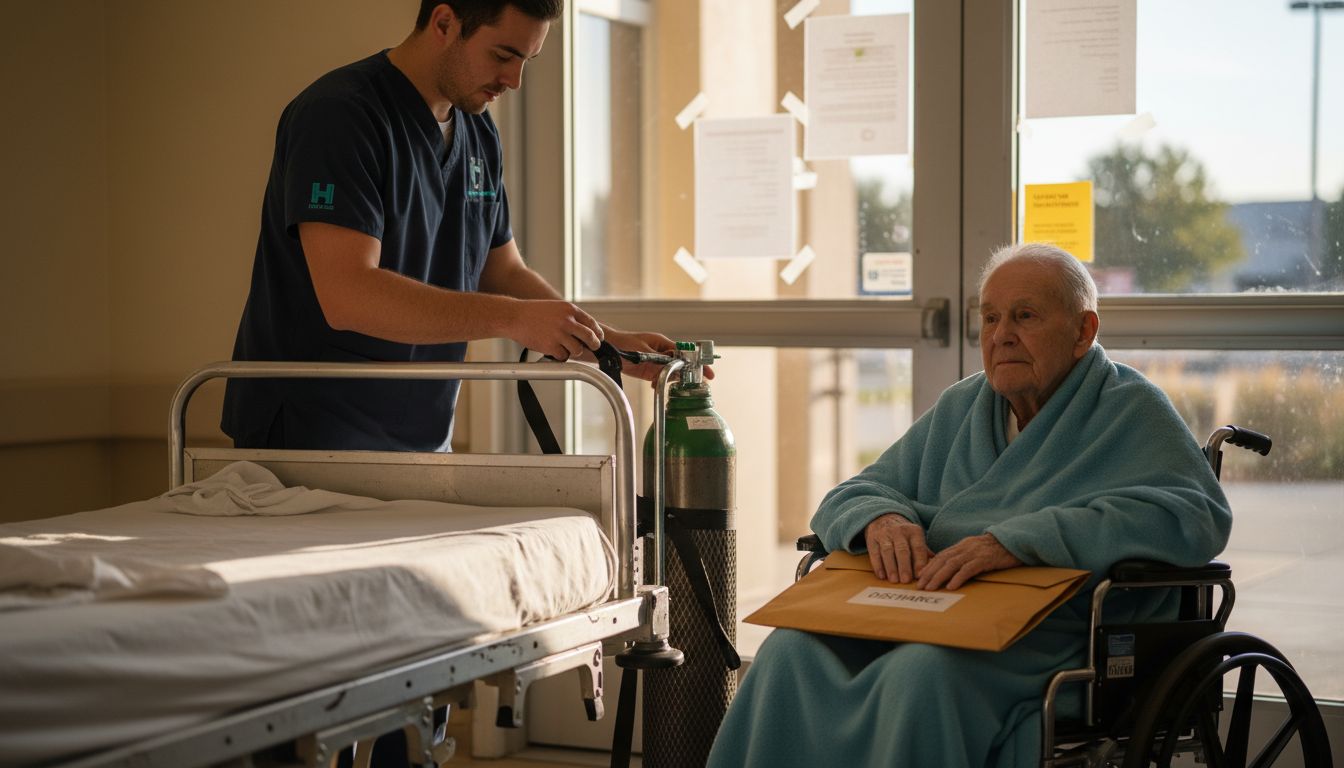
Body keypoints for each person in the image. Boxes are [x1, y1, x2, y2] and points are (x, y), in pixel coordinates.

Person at [707, 243, 1233, 768]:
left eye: (1024, 316)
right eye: (990, 317)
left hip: (1056, 637)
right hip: (925, 615)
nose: (1001, 333)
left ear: (1083, 331)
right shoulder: (964, 405)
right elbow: (853, 493)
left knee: (921, 674)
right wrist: (879, 519)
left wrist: (1018, 542)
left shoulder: (1128, 408)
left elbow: (1196, 515)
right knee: (787, 654)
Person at [222, 0, 671, 452]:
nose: (514, 81)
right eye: (502, 56)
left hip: (421, 438)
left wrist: (609, 344)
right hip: (311, 437)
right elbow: (347, 294)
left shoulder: (477, 132)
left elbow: (503, 271)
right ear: (444, 22)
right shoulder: (340, 116)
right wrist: (513, 319)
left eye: (526, 61)